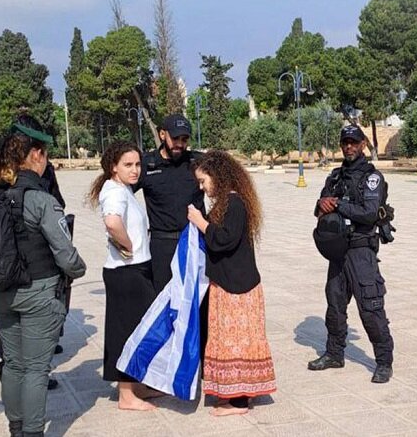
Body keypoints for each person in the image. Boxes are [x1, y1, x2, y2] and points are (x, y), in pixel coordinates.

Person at [0, 129, 86, 437]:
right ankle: (33, 433)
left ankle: (16, 428)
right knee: (35, 369)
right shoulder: (40, 200)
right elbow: (66, 254)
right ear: (36, 155)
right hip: (39, 292)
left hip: (2, 293)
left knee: (13, 365)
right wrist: (78, 269)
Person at [187, 150, 276, 417]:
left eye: (204, 181)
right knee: (236, 341)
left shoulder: (235, 204)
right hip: (231, 284)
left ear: (219, 176)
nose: (203, 187)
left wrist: (202, 223)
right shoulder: (230, 202)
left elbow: (224, 239)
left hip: (237, 287)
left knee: (237, 342)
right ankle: (238, 394)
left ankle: (238, 400)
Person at [308, 125, 395, 384]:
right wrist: (321, 205)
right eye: (345, 142)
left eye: (354, 143)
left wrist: (339, 205)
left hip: (361, 252)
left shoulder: (372, 178)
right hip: (338, 253)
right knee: (334, 307)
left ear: (363, 145)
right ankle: (334, 353)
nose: (349, 147)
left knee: (370, 308)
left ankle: (383, 361)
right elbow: (320, 207)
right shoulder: (334, 177)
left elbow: (369, 213)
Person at [88, 141, 160, 411]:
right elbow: (112, 221)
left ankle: (136, 384)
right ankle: (126, 394)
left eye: (138, 164)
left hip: (134, 269)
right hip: (126, 272)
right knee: (125, 332)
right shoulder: (115, 192)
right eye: (128, 165)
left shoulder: (121, 188)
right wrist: (128, 244)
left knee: (138, 329)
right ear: (113, 167)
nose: (135, 170)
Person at [133, 114, 205, 293]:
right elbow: (120, 192)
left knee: (196, 301)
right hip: (162, 247)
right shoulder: (146, 164)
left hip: (194, 243)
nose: (180, 144)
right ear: (162, 134)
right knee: (162, 300)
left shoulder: (199, 162)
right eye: (175, 138)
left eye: (185, 139)